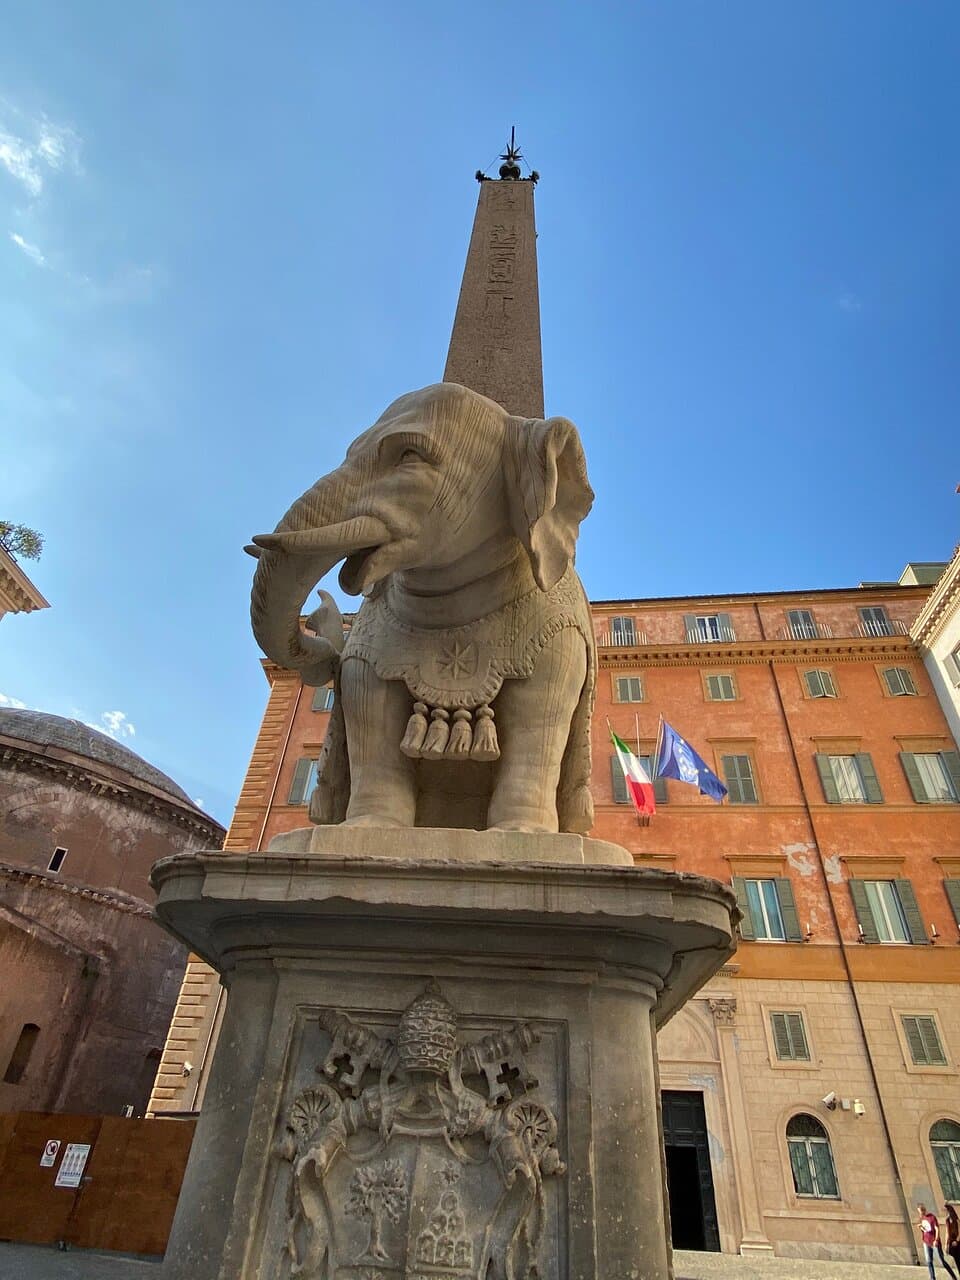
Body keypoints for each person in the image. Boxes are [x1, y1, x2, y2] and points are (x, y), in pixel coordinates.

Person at [918, 1204, 957, 1279]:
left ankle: (953, 1276)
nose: (920, 1214)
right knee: (929, 1261)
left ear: (924, 1210)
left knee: (942, 1261)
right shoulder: (922, 1218)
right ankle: (933, 1278)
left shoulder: (932, 1217)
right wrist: (921, 1227)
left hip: (934, 1242)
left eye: (920, 1212)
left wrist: (936, 1240)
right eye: (919, 1212)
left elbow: (937, 1229)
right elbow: (926, 1230)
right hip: (926, 1242)